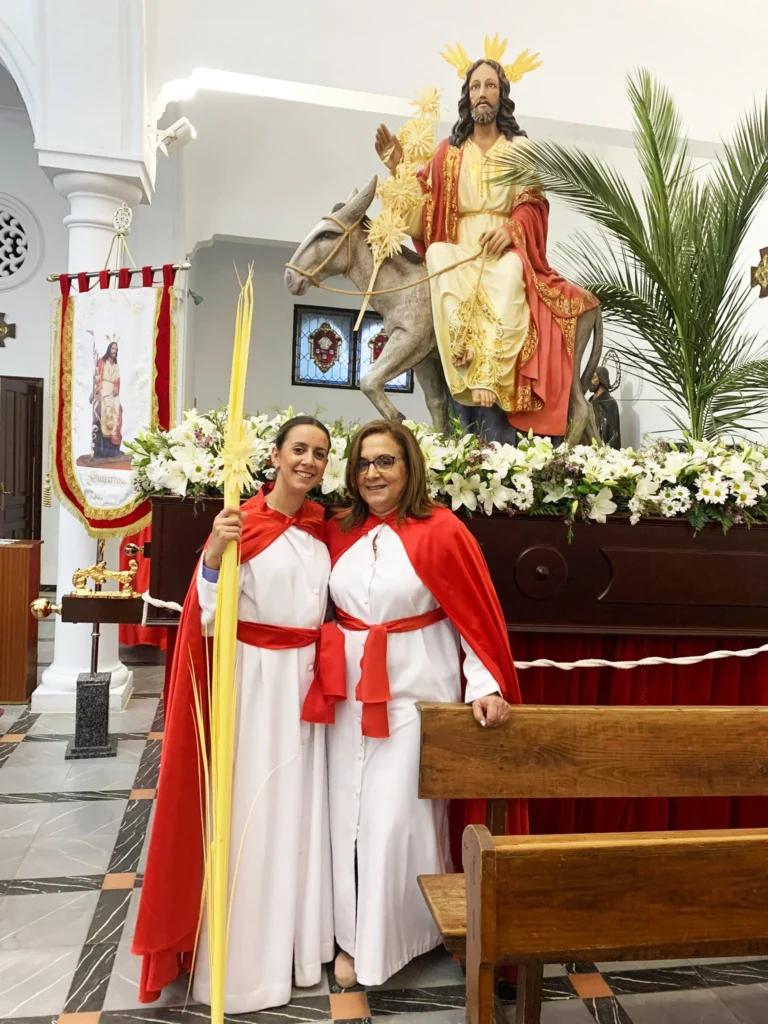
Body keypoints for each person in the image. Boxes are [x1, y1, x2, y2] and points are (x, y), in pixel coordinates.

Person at [302, 420, 525, 988]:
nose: (373, 473)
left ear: (410, 468)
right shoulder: (340, 532)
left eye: (386, 462)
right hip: (348, 702)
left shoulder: (442, 531)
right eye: (363, 463)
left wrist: (485, 685)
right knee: (343, 823)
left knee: (392, 821)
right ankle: (350, 939)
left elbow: (471, 619)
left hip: (414, 705)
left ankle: (398, 939)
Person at [132, 416, 335, 1013]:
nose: (309, 461)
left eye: (320, 453)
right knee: (253, 810)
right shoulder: (242, 524)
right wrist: (217, 552)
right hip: (255, 684)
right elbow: (208, 615)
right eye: (299, 449)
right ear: (274, 456)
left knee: (299, 813)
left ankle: (299, 948)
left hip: (305, 684)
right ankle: (245, 965)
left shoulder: (325, 530)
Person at [375, 48, 598, 441]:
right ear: (467, 95)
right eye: (475, 85)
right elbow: (424, 204)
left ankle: (490, 376)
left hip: (502, 245)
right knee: (439, 256)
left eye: (490, 85)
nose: (482, 92)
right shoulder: (448, 151)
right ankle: (464, 368)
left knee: (511, 273)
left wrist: (512, 230)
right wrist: (397, 166)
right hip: (459, 243)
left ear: (501, 95)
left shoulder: (520, 148)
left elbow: (533, 202)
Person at [91, 339, 123, 457]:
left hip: (113, 391)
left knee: (117, 409)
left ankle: (113, 435)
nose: (115, 351)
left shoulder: (116, 366)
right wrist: (98, 389)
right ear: (109, 349)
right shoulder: (102, 362)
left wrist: (116, 388)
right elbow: (97, 377)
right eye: (113, 348)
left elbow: (117, 380)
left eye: (116, 349)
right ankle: (105, 436)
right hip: (103, 388)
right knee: (106, 409)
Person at [589, 365, 622, 448]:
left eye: (593, 377)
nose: (590, 381)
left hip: (603, 452)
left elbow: (614, 435)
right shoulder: (589, 402)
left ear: (602, 379)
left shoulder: (610, 403)